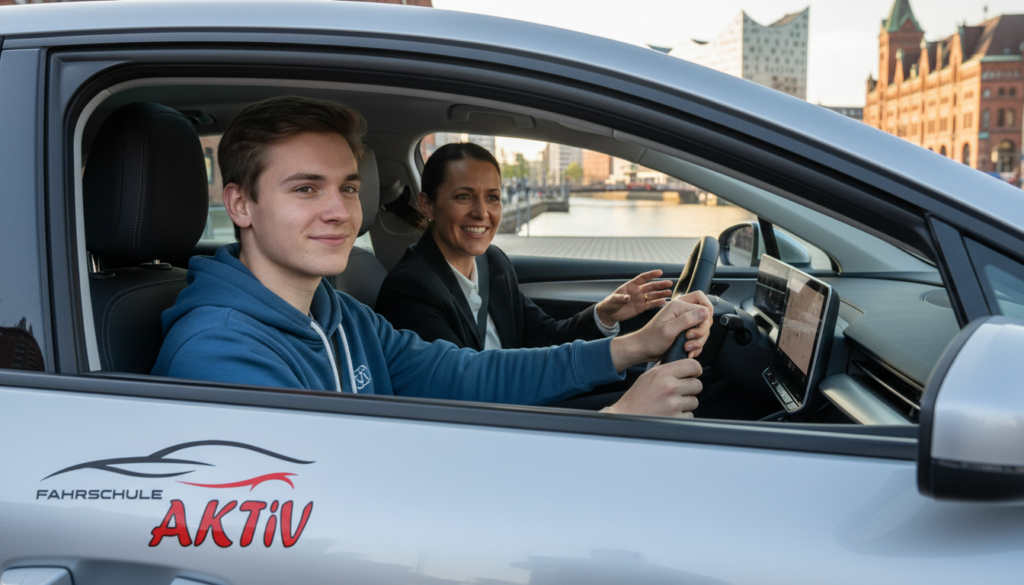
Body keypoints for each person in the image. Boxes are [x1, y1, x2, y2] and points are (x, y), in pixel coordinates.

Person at [152, 96, 711, 417]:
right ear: (240, 204)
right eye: (305, 189)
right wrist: (615, 422)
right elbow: (335, 509)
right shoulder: (219, 354)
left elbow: (464, 373)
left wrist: (634, 345)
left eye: (348, 188)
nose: (340, 213)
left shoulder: (338, 314)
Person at [376, 143, 708, 356]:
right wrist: (630, 349)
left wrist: (603, 314)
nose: (482, 212)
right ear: (427, 205)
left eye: (492, 197)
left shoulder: (492, 262)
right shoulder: (410, 289)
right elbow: (469, 382)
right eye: (463, 196)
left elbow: (543, 336)